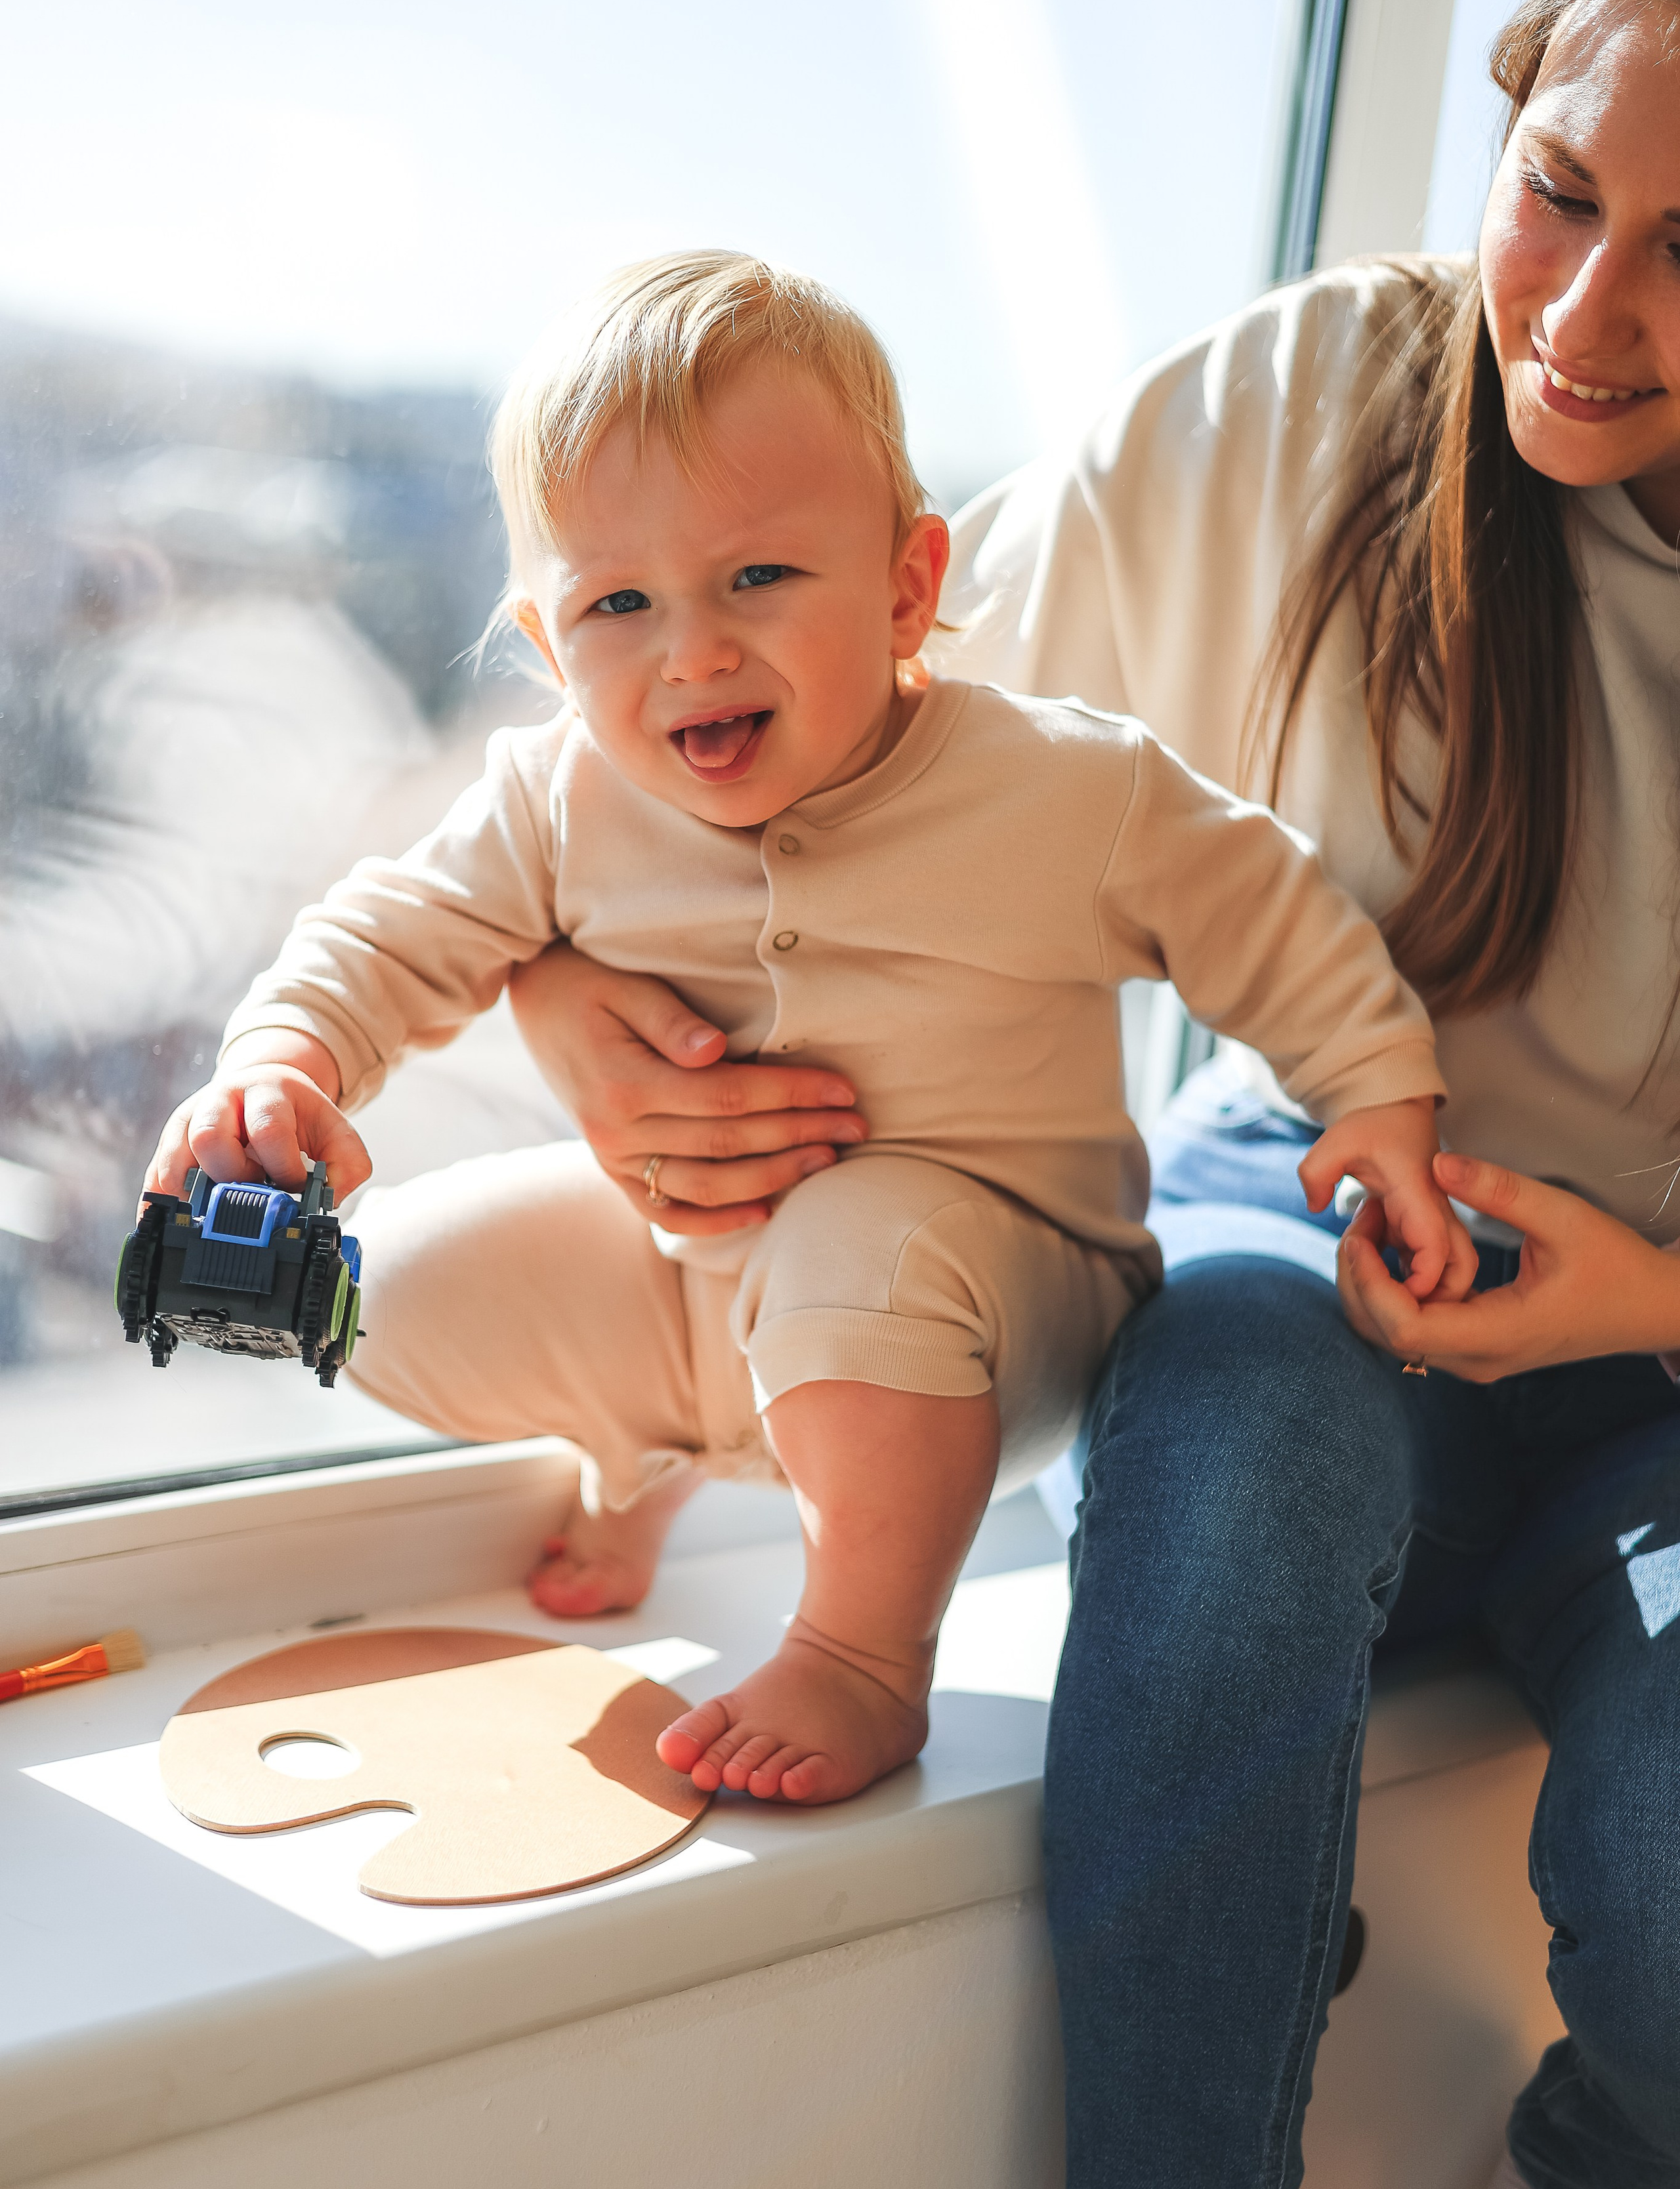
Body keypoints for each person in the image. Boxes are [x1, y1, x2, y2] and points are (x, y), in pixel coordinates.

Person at [488, 0, 1680, 2189]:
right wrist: (553, 1001)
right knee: (1224, 1549)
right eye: (1560, 192)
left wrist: (1646, 1292)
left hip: (1659, 1353)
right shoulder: (1323, 404)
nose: (1580, 307)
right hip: (1314, 1225)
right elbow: (778, 705)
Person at [144, 249, 1463, 1810]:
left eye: (756, 579)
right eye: (616, 604)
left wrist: (1372, 1094)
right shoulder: (552, 793)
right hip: (706, 1286)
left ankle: (859, 1651)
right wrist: (283, 1065)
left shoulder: (1064, 789)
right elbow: (387, 931)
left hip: (991, 1312)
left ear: (908, 586)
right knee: (396, 1284)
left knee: (861, 1244)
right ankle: (654, 1450)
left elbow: (1266, 907)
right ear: (547, 642)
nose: (690, 651)